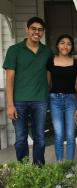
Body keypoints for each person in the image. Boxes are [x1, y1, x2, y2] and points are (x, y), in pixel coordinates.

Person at [3, 17, 53, 165]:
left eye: (40, 30)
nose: (36, 32)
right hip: (19, 101)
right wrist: (10, 104)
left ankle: (38, 169)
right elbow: (9, 79)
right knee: (20, 139)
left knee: (40, 138)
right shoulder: (14, 50)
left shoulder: (47, 52)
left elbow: (51, 74)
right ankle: (23, 169)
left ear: (43, 32)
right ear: (27, 29)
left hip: (40, 101)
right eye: (33, 29)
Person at [47, 34, 77, 161]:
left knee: (70, 134)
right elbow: (48, 84)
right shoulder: (50, 61)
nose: (65, 46)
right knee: (59, 134)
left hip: (71, 100)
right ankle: (60, 165)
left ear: (71, 47)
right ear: (57, 45)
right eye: (62, 43)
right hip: (54, 99)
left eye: (69, 43)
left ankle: (69, 166)